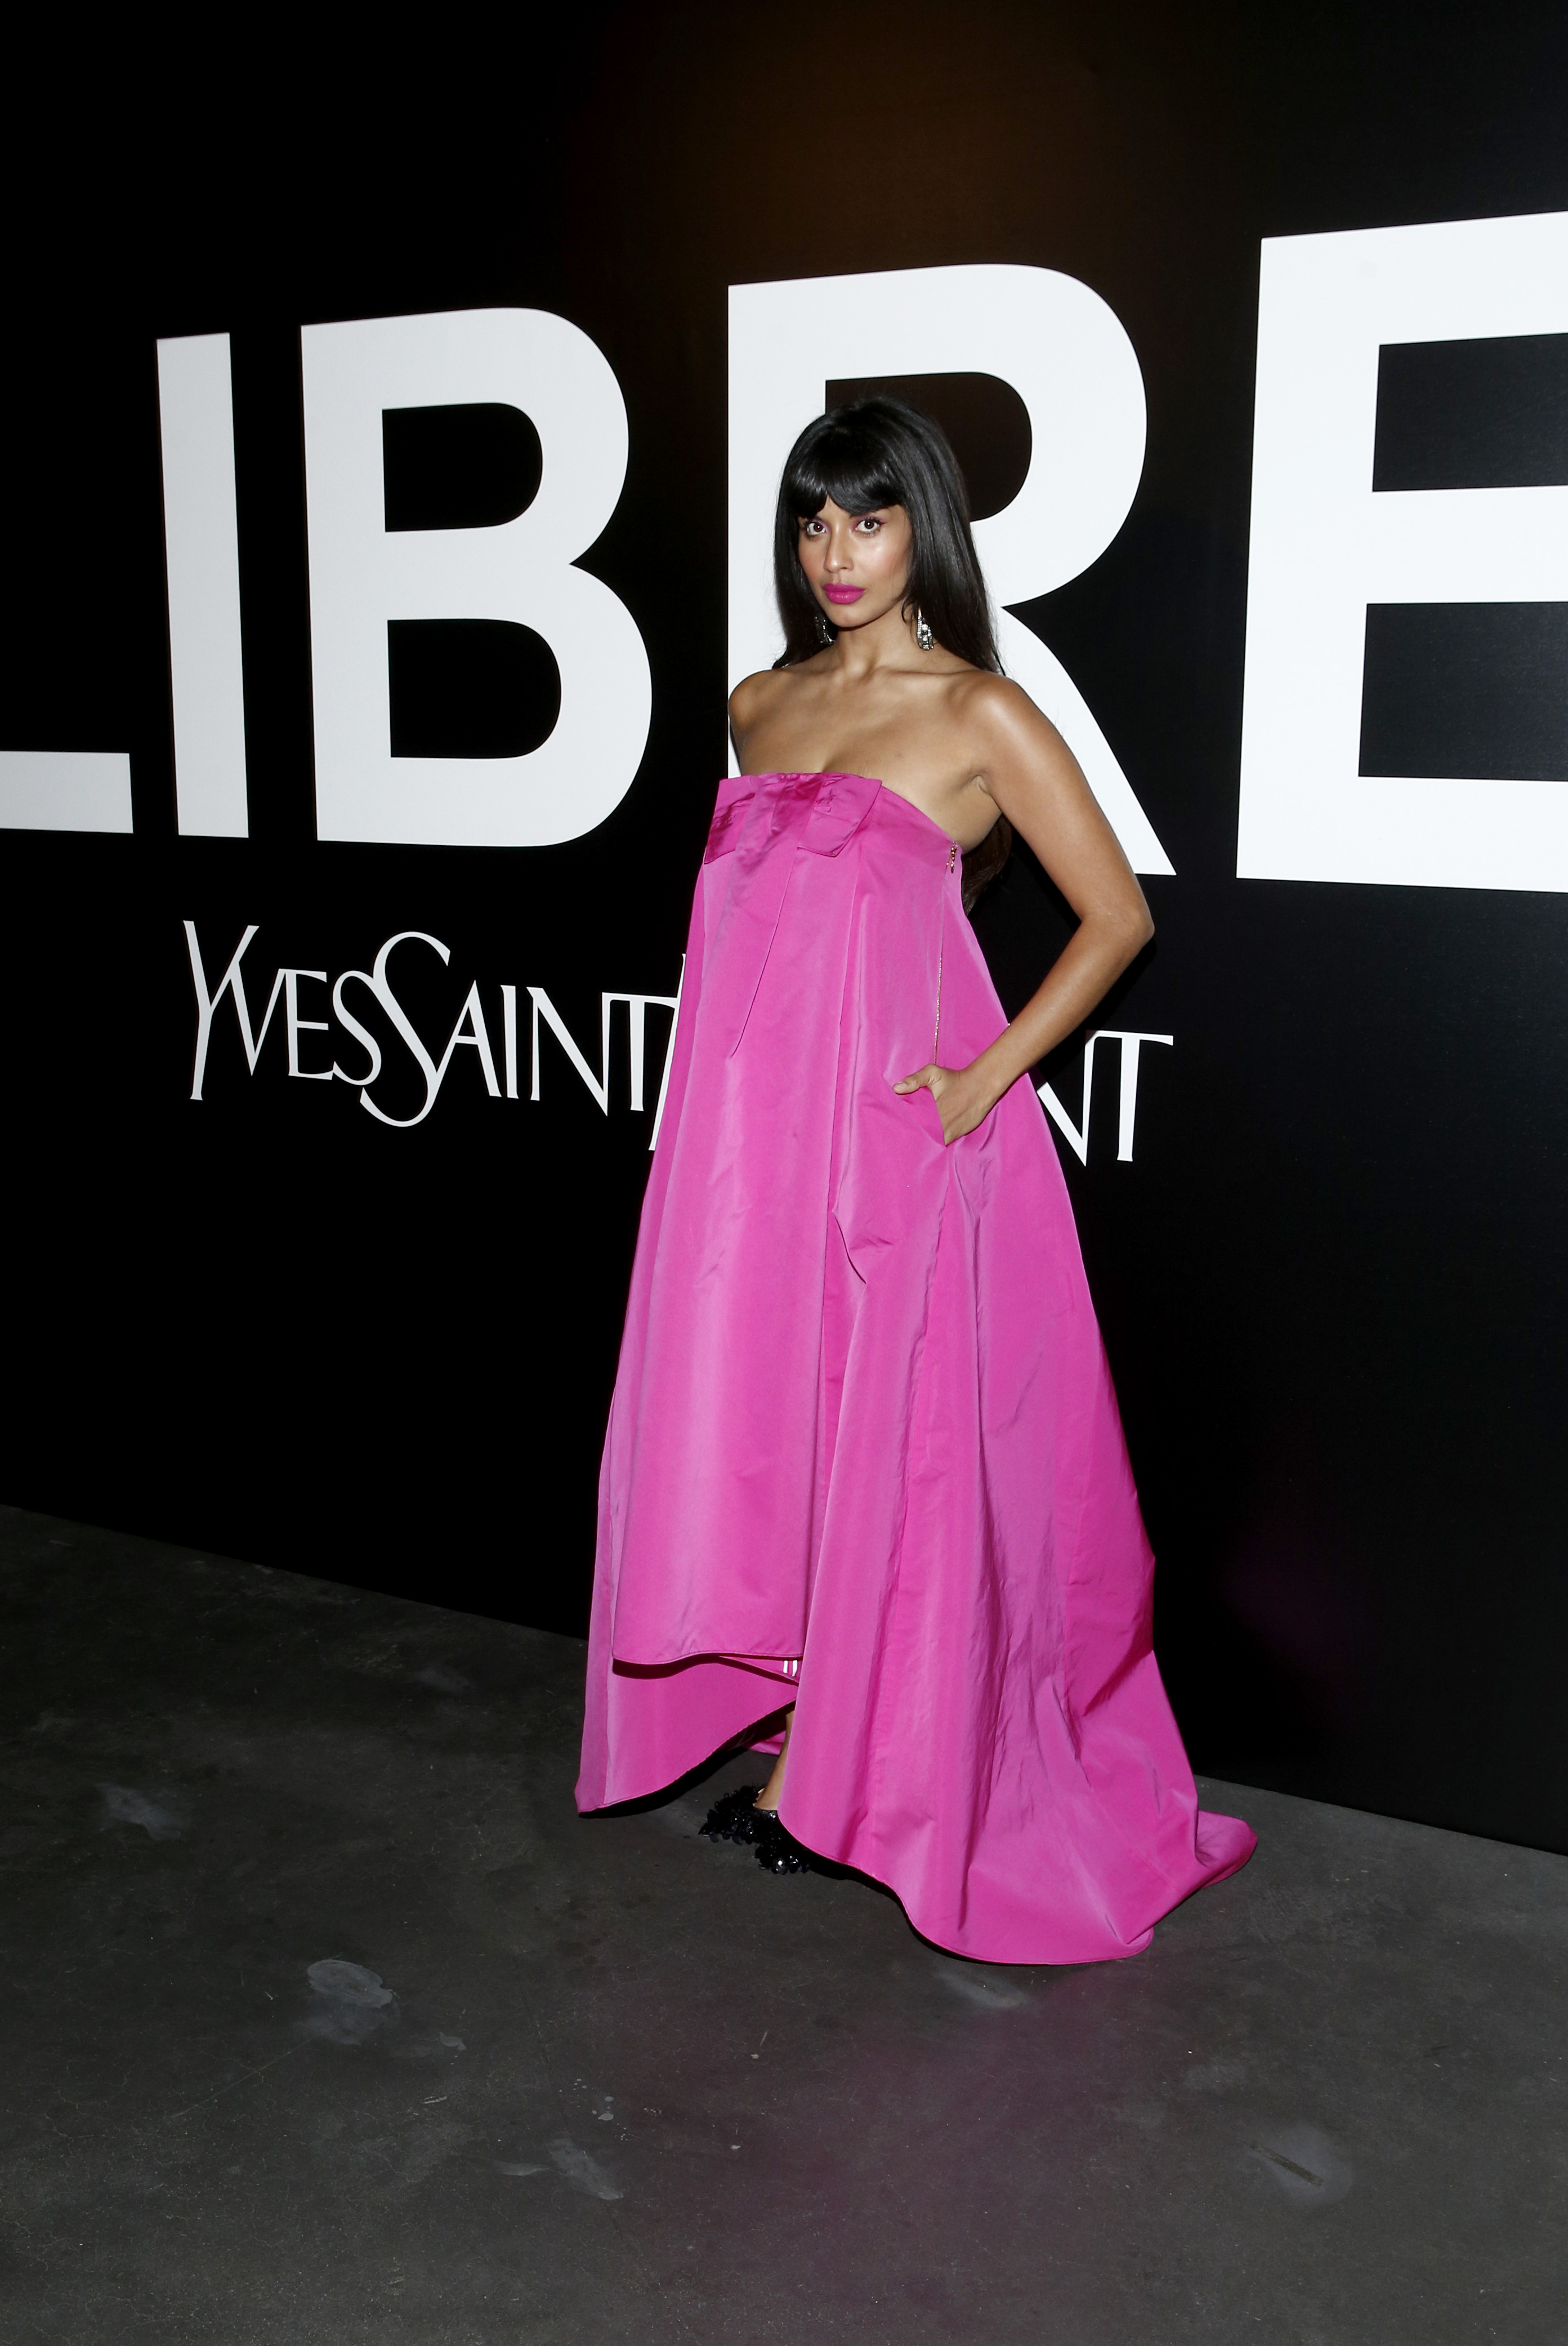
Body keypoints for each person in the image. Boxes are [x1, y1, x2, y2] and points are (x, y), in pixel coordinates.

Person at [575, 397, 1254, 1963]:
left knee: (904, 1448)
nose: (837, 552)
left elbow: (1116, 916)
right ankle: (818, 1717)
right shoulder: (758, 705)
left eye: (869, 520)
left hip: (905, 1141)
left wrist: (986, 1071)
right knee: (779, 1427)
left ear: (922, 530)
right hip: (754, 1153)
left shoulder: (979, 714)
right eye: (815, 520)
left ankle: (857, 1762)